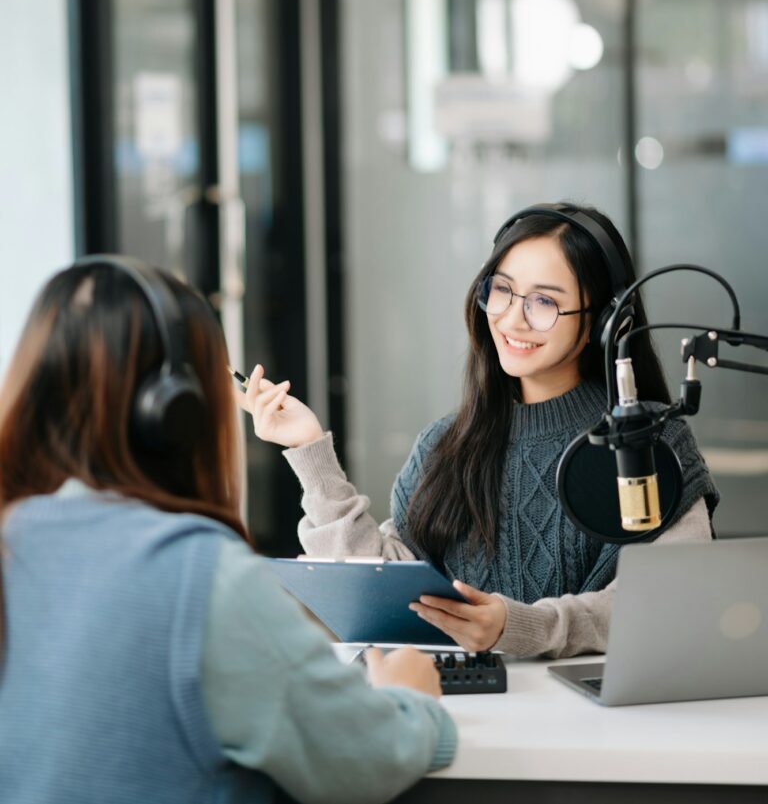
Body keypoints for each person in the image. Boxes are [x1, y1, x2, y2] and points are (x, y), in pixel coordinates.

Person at [0, 258, 456, 804]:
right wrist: (414, 701)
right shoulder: (198, 577)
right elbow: (363, 757)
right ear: (176, 412)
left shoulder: (15, 539)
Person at [243, 202, 719, 659]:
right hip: (472, 719)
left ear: (603, 322)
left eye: (544, 302)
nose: (512, 318)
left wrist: (520, 627)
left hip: (599, 723)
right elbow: (378, 592)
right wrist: (309, 450)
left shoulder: (650, 440)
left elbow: (672, 598)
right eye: (503, 290)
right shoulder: (444, 444)